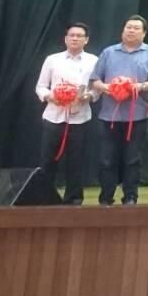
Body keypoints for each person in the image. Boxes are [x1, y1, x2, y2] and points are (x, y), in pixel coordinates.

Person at [89, 15, 148, 205]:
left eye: (136, 28)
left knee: (133, 159)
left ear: (144, 33)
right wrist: (109, 88)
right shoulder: (108, 52)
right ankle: (106, 197)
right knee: (107, 159)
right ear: (123, 30)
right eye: (128, 27)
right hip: (109, 116)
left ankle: (130, 197)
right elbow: (95, 80)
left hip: (137, 116)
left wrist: (139, 86)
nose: (131, 30)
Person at [35, 22, 98, 205]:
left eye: (79, 36)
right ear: (65, 38)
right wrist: (50, 97)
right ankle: (44, 198)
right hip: (53, 117)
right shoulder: (52, 60)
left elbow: (97, 89)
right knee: (47, 161)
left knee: (76, 162)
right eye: (71, 35)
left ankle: (73, 200)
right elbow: (40, 86)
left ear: (86, 40)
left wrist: (88, 96)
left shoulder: (93, 61)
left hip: (80, 119)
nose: (75, 38)